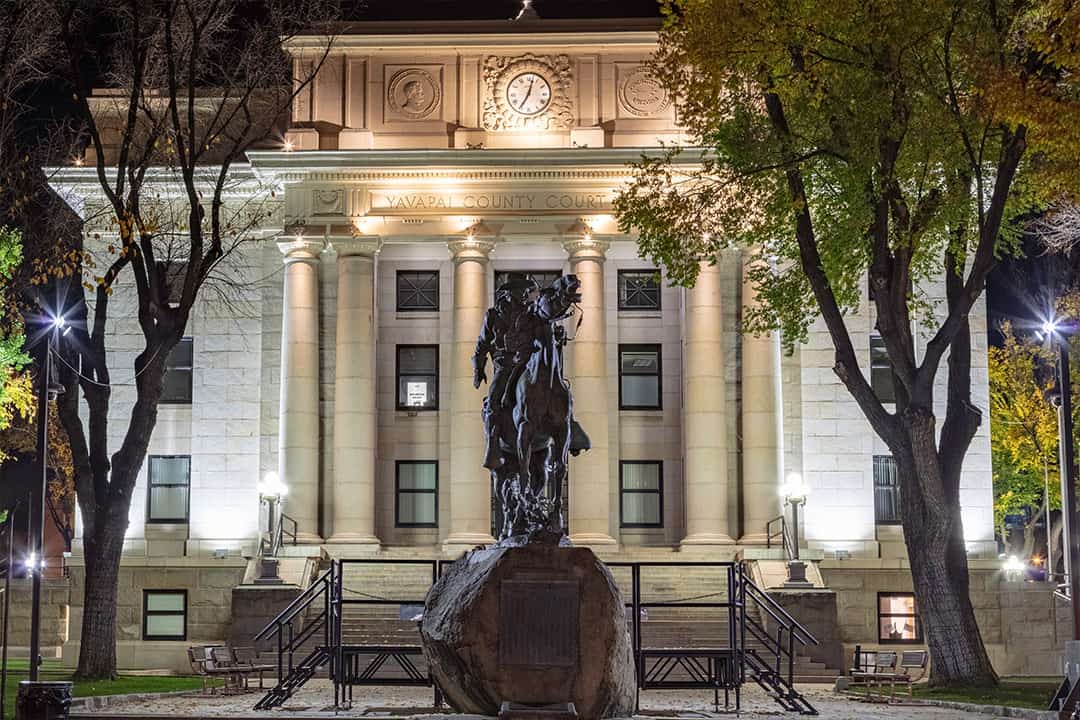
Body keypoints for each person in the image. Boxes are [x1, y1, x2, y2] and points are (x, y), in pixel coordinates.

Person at [473, 277, 539, 470]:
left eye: (525, 290)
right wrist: (478, 368)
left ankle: (570, 427)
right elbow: (482, 344)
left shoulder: (532, 314)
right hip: (505, 365)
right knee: (493, 402)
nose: (524, 294)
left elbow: (544, 331)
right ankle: (492, 445)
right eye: (520, 290)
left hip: (529, 365)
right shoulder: (493, 315)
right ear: (509, 292)